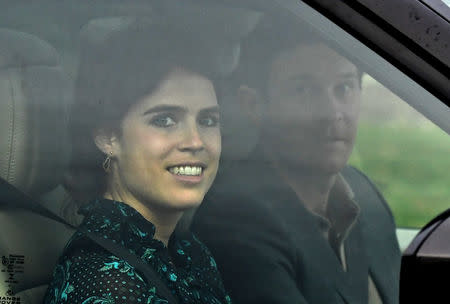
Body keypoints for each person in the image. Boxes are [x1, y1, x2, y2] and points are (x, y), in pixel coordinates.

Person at [192, 17, 401, 304]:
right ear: (254, 106)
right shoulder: (233, 219)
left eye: (345, 88)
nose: (332, 112)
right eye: (304, 90)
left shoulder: (365, 195)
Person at [43, 18, 232, 304]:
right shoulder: (108, 281)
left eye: (208, 120)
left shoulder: (186, 250)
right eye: (165, 120)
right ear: (109, 137)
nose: (195, 141)